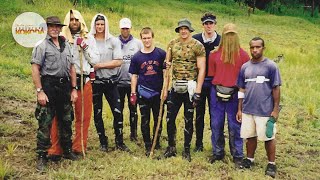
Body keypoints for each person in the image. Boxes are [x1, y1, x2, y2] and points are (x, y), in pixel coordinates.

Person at [31, 16, 78, 171]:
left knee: (66, 121)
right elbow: (35, 69)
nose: (55, 29)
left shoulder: (67, 45)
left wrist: (74, 88)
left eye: (57, 26)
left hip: (64, 88)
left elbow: (72, 68)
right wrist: (40, 91)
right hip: (49, 87)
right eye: (51, 26)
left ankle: (67, 151)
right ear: (47, 28)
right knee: (45, 123)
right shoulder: (42, 45)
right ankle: (42, 156)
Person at [48, 9, 96, 160]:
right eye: (71, 19)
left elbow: (95, 61)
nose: (74, 22)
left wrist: (85, 47)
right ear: (67, 21)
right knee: (59, 116)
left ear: (80, 21)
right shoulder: (61, 38)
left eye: (76, 19)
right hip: (64, 82)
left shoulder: (89, 38)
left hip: (84, 79)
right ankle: (57, 148)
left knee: (83, 116)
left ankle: (78, 146)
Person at [236, 37, 281, 178]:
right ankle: (249, 159)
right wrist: (239, 109)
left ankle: (271, 164)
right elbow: (241, 89)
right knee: (250, 137)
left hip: (265, 111)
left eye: (258, 47)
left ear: (263, 48)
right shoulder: (245, 67)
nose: (255, 50)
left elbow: (276, 88)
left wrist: (275, 109)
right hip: (248, 109)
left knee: (268, 137)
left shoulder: (271, 66)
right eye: (252, 47)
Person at [163, 18, 206, 162]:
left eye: (185, 28)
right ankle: (171, 147)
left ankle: (186, 149)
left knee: (189, 119)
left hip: (190, 87)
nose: (183, 31)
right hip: (175, 86)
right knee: (170, 118)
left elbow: (202, 69)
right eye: (181, 28)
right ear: (178, 30)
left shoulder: (197, 46)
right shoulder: (172, 44)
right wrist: (165, 89)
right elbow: (167, 66)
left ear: (190, 30)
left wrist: (198, 91)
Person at [207, 23, 249, 166]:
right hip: (217, 92)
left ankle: (237, 154)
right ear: (223, 37)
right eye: (227, 35)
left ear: (236, 36)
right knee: (216, 124)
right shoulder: (214, 55)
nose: (230, 37)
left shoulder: (244, 56)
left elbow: (246, 80)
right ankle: (218, 152)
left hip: (235, 94)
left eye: (233, 34)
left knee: (235, 125)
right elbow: (211, 75)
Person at [89, 13, 130, 152]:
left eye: (102, 24)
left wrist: (99, 65)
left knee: (117, 111)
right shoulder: (89, 40)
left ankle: (119, 141)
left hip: (111, 82)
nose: (100, 27)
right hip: (95, 82)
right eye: (97, 24)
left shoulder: (113, 41)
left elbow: (118, 61)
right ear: (94, 25)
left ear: (106, 25)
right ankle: (103, 142)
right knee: (97, 112)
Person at [129, 27, 166, 156]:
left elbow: (166, 72)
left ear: (152, 37)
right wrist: (133, 93)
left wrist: (165, 90)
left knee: (158, 119)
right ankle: (147, 144)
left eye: (149, 38)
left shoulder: (161, 54)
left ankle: (156, 141)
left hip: (158, 93)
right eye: (144, 38)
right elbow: (134, 76)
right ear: (141, 39)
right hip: (143, 93)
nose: (147, 40)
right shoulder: (137, 57)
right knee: (145, 120)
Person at [192, 12, 221, 152]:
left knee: (215, 114)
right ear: (202, 25)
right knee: (199, 113)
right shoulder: (196, 40)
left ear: (215, 24)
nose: (209, 26)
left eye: (211, 23)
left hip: (215, 82)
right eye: (206, 23)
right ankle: (198, 143)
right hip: (200, 81)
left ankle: (216, 145)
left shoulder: (221, 41)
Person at [117, 18, 143, 142]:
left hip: (133, 83)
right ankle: (119, 134)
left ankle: (133, 134)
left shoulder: (138, 43)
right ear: (120, 29)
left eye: (127, 28)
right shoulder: (115, 42)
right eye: (123, 28)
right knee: (118, 109)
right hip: (118, 82)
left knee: (133, 109)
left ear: (130, 28)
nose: (125, 30)